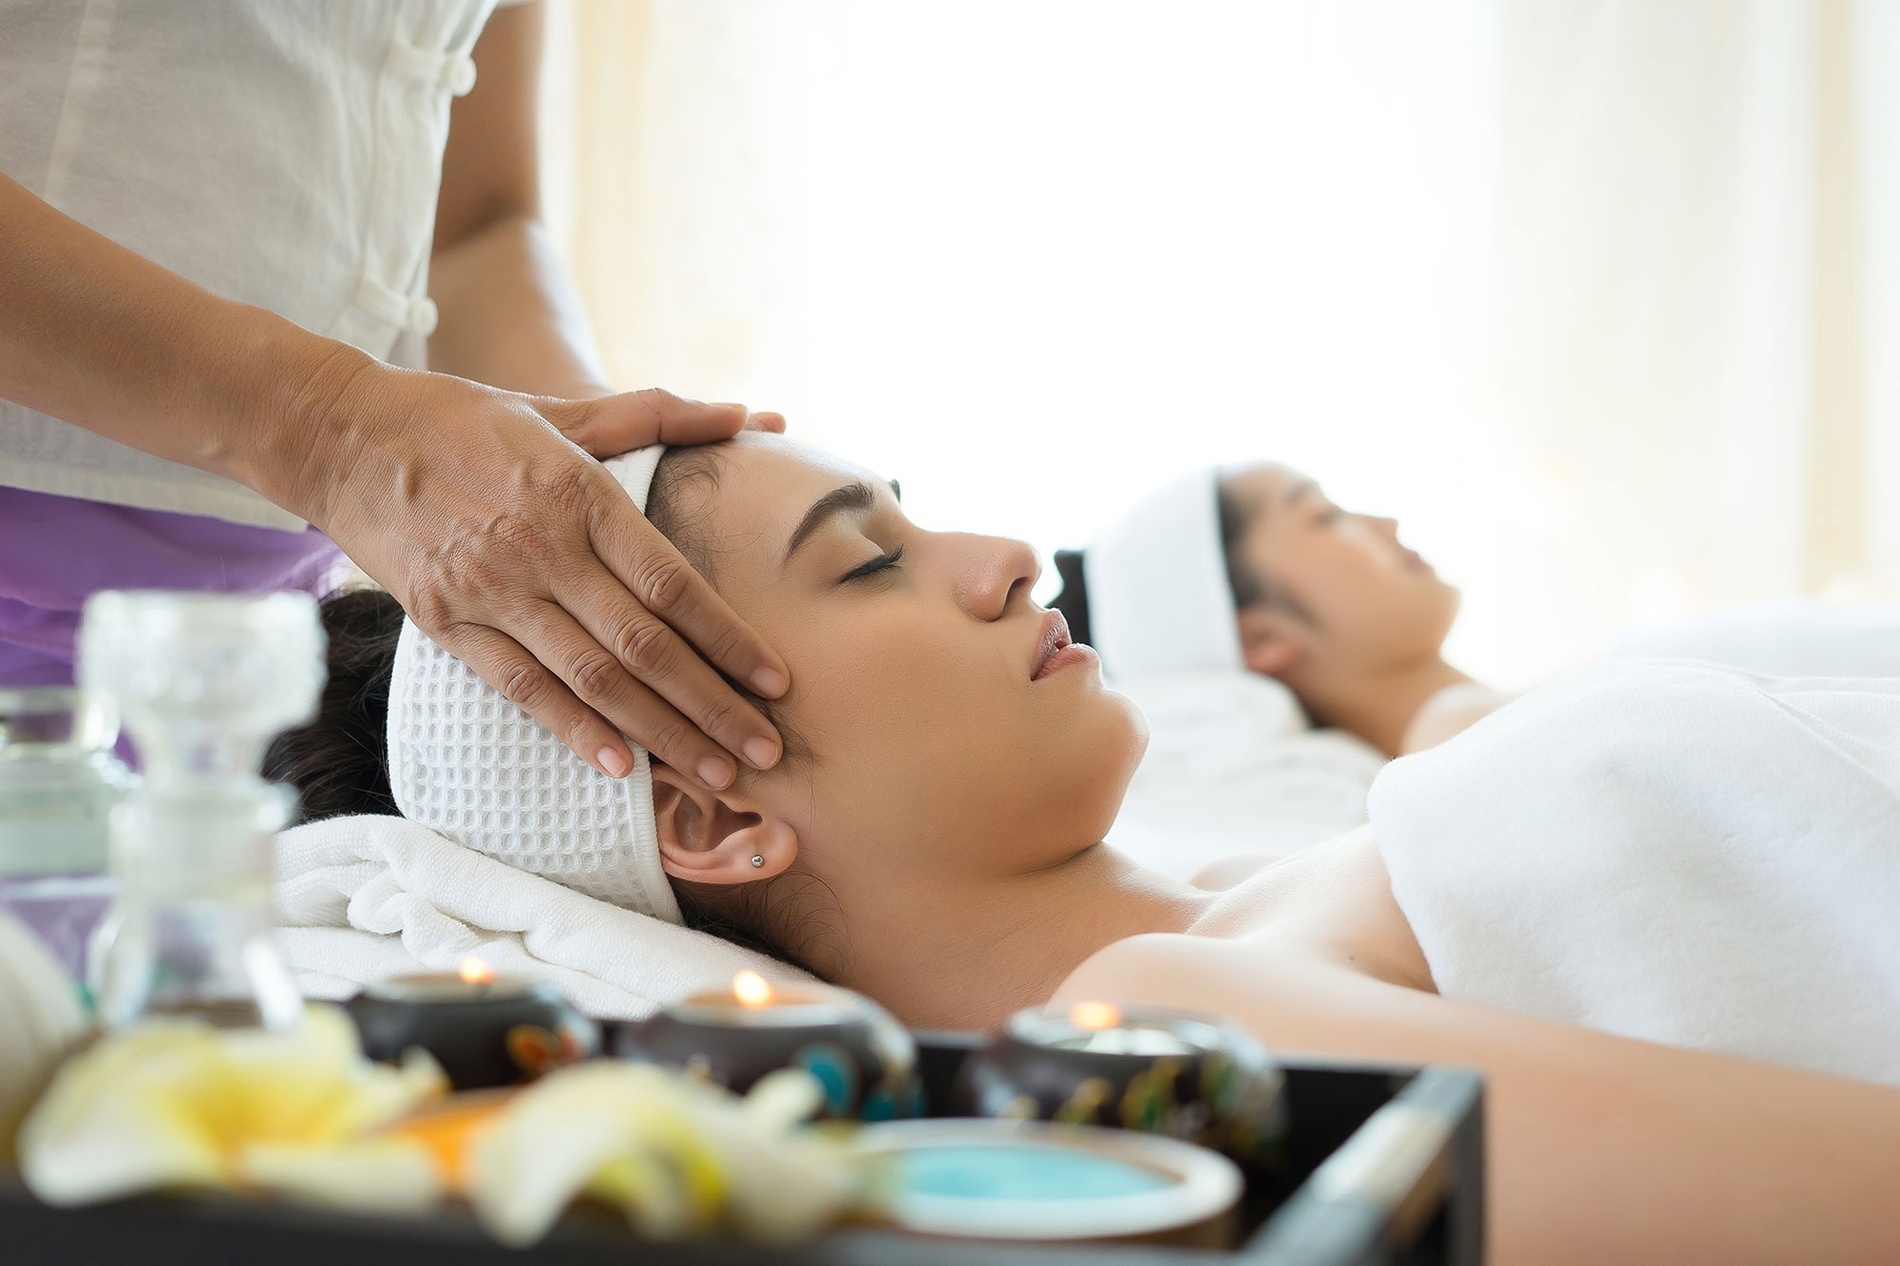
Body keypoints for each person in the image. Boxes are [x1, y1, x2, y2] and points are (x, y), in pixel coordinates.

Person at [275, 431, 1900, 1264]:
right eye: (869, 566)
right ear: (709, 813)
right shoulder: (1182, 1014)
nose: (1001, 561)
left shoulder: (1292, 881)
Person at [0, 1, 787, 792]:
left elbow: (475, 231)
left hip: (267, 639)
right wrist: (331, 436)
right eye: (873, 562)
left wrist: (607, 479)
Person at [1059, 463, 1509, 756]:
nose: (1385, 523)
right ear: (1262, 638)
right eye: (1325, 517)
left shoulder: (1483, 725)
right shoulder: (1459, 733)